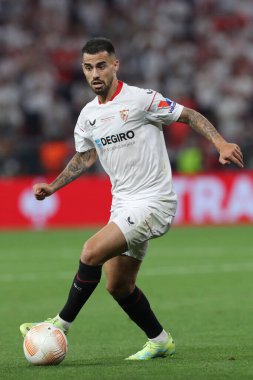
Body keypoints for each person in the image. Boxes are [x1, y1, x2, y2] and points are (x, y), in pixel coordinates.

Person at [20, 37, 244, 360]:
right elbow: (85, 157)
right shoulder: (87, 117)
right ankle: (160, 340)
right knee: (118, 286)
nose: (94, 73)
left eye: (101, 65)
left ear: (115, 65)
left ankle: (59, 325)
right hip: (122, 204)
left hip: (154, 201)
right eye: (87, 67)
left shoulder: (141, 100)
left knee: (90, 251)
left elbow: (189, 115)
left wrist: (220, 143)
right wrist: (53, 187)